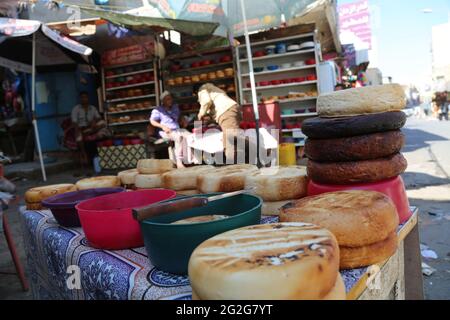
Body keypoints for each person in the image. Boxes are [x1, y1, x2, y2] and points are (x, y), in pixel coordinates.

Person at [194, 83, 244, 164]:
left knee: (231, 139)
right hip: (230, 110)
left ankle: (237, 164)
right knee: (228, 140)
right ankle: (233, 164)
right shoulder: (212, 89)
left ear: (196, 92)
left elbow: (206, 101)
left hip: (226, 111)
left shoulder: (202, 89)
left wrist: (200, 114)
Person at [150, 91, 190, 168]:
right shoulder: (158, 110)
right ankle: (179, 163)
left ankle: (191, 160)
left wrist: (183, 120)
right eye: (168, 99)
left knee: (191, 136)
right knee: (179, 138)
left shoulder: (175, 107)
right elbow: (152, 121)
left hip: (177, 129)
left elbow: (180, 115)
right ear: (163, 101)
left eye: (171, 99)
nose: (170, 101)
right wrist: (163, 127)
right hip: (166, 131)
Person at [71, 91, 110, 165]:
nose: (84, 99)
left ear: (88, 98)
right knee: (78, 136)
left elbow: (98, 118)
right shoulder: (76, 109)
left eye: (85, 97)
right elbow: (74, 122)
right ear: (80, 99)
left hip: (92, 128)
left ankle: (91, 132)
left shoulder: (92, 108)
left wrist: (94, 122)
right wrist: (78, 129)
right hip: (82, 129)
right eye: (82, 97)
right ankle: (84, 154)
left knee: (103, 123)